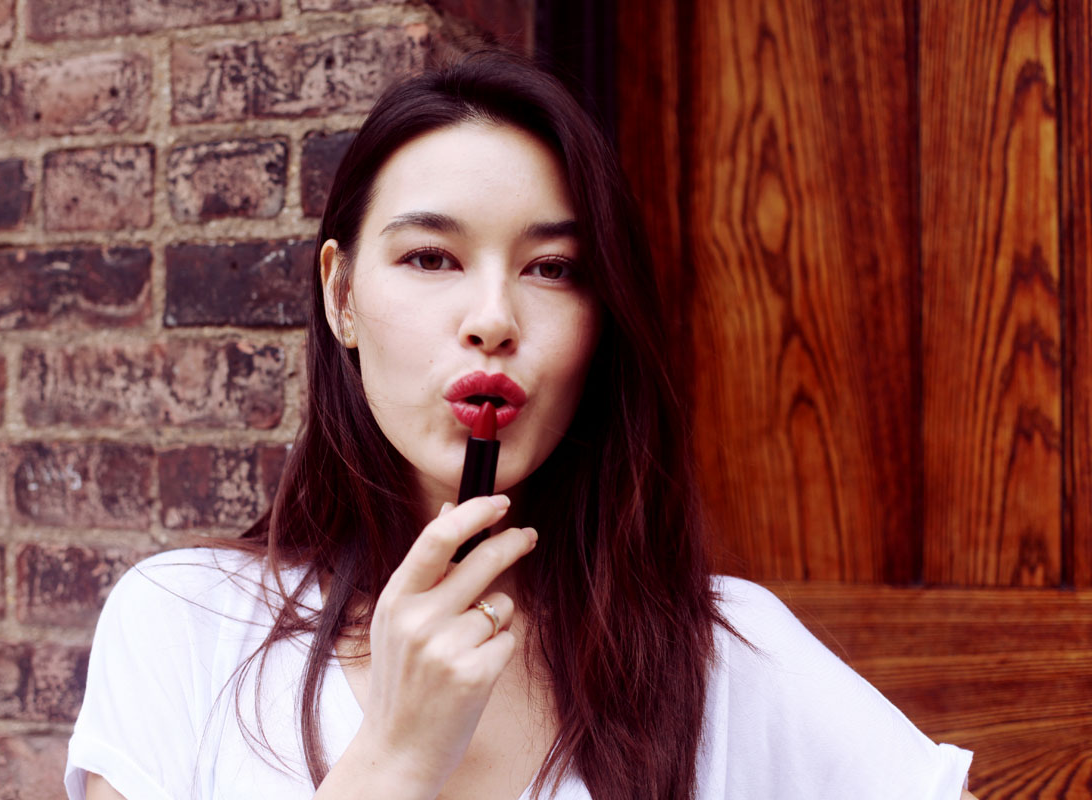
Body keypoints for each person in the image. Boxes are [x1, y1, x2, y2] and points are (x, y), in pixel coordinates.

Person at [65, 50, 977, 800]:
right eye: (431, 257)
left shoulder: (720, 651)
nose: (494, 318)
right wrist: (395, 757)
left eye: (553, 269)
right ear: (341, 295)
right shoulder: (187, 623)